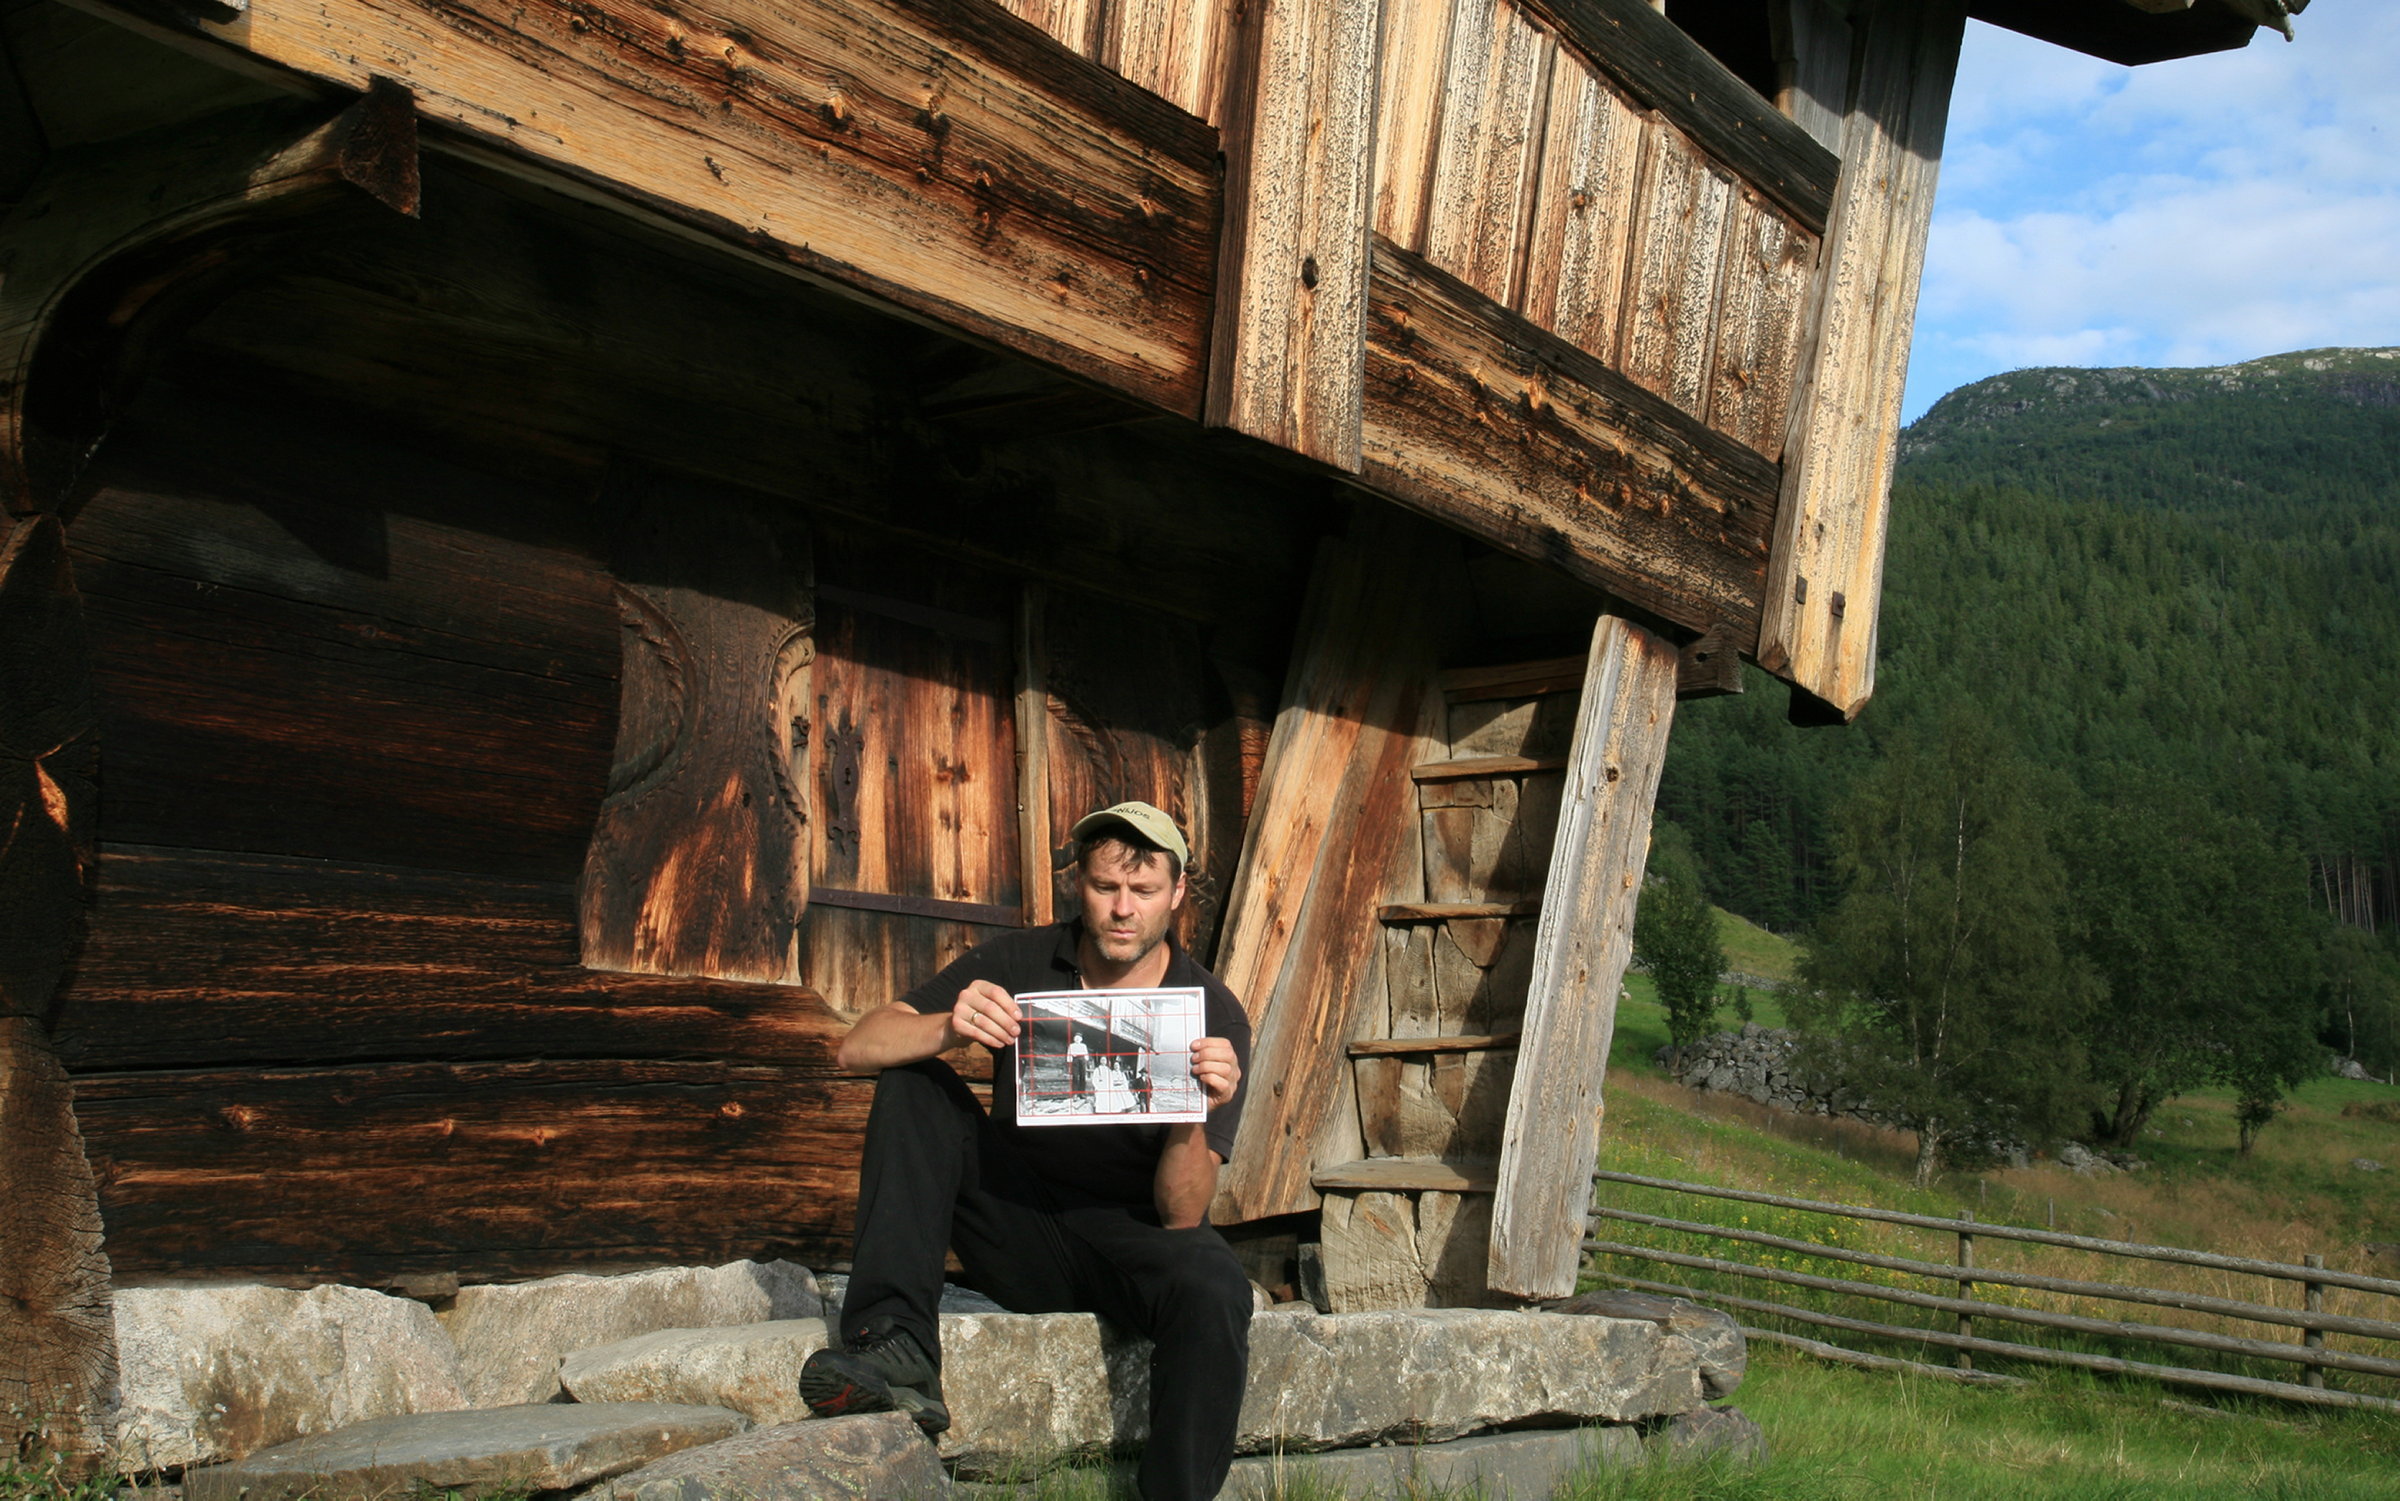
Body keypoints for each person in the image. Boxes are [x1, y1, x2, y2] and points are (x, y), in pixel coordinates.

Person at [803, 800, 1254, 1501]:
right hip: (1013, 1224)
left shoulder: (1211, 1010)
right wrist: (949, 1027)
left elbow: (1181, 1215)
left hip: (1132, 1243)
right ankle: (897, 1347)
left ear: (1176, 894)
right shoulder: (1023, 958)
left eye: (1143, 890)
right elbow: (857, 1046)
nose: (1123, 908)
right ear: (1080, 884)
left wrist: (1198, 1112)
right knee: (913, 1080)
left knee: (1219, 1285)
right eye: (1105, 886)